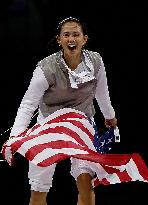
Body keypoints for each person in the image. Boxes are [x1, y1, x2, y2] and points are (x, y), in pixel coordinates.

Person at [9, 16, 117, 205]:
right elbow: (28, 103)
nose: (71, 39)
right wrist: (16, 137)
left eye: (76, 34)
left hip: (81, 125)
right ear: (59, 40)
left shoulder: (96, 62)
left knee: (86, 183)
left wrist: (110, 116)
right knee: (38, 189)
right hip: (50, 125)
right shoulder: (46, 68)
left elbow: (102, 92)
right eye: (66, 35)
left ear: (85, 39)